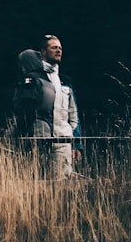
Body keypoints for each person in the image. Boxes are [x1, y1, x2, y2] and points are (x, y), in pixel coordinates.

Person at [12, 34, 82, 179]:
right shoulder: (34, 78)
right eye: (54, 47)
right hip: (39, 140)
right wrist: (21, 135)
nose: (58, 50)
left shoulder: (65, 80)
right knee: (36, 181)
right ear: (43, 52)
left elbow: (73, 115)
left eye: (60, 48)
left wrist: (76, 143)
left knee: (61, 184)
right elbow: (26, 110)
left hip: (63, 141)